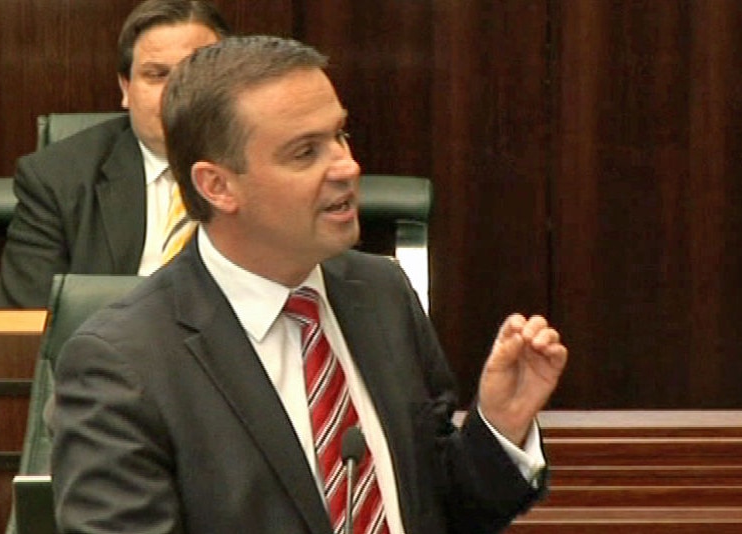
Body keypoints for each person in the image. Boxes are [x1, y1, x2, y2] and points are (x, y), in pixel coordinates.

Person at [51, 36, 568, 534]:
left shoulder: (381, 293)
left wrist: (499, 426)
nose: (347, 166)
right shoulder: (122, 363)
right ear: (218, 186)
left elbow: (442, 509)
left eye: (340, 136)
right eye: (305, 153)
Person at [0, 0, 231, 309]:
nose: (176, 92)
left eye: (195, 72)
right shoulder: (57, 178)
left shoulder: (270, 164)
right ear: (126, 88)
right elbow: (26, 320)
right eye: (157, 75)